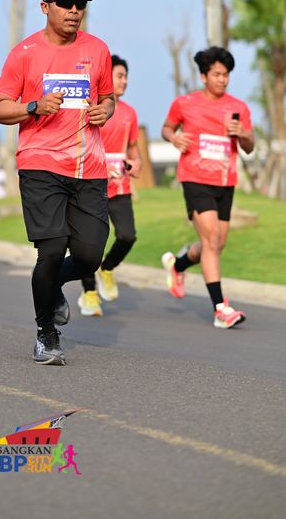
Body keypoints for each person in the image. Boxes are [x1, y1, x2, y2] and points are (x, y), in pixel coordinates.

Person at [0, 0, 115, 365]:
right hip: (40, 164)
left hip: (89, 167)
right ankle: (46, 333)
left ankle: (53, 283)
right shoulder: (24, 53)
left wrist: (105, 110)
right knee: (52, 249)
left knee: (90, 256)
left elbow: (108, 97)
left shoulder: (98, 50)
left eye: (81, 4)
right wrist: (34, 106)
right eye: (66, 3)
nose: (74, 10)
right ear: (45, 7)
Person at [161, 46, 254, 329]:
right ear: (204, 76)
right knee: (212, 238)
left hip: (225, 181)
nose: (222, 80)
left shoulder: (239, 108)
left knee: (216, 244)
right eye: (217, 74)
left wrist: (244, 134)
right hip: (195, 178)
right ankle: (220, 309)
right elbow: (167, 128)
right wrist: (174, 139)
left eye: (226, 75)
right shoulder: (184, 103)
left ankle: (178, 265)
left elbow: (249, 147)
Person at [78, 56, 142, 316]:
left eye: (126, 76)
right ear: (107, 77)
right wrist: (99, 166)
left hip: (120, 186)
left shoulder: (130, 113)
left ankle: (107, 268)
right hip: (91, 185)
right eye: (119, 76)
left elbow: (134, 148)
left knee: (128, 235)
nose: (124, 81)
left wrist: (137, 163)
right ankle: (89, 293)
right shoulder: (91, 107)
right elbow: (80, 144)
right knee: (90, 242)